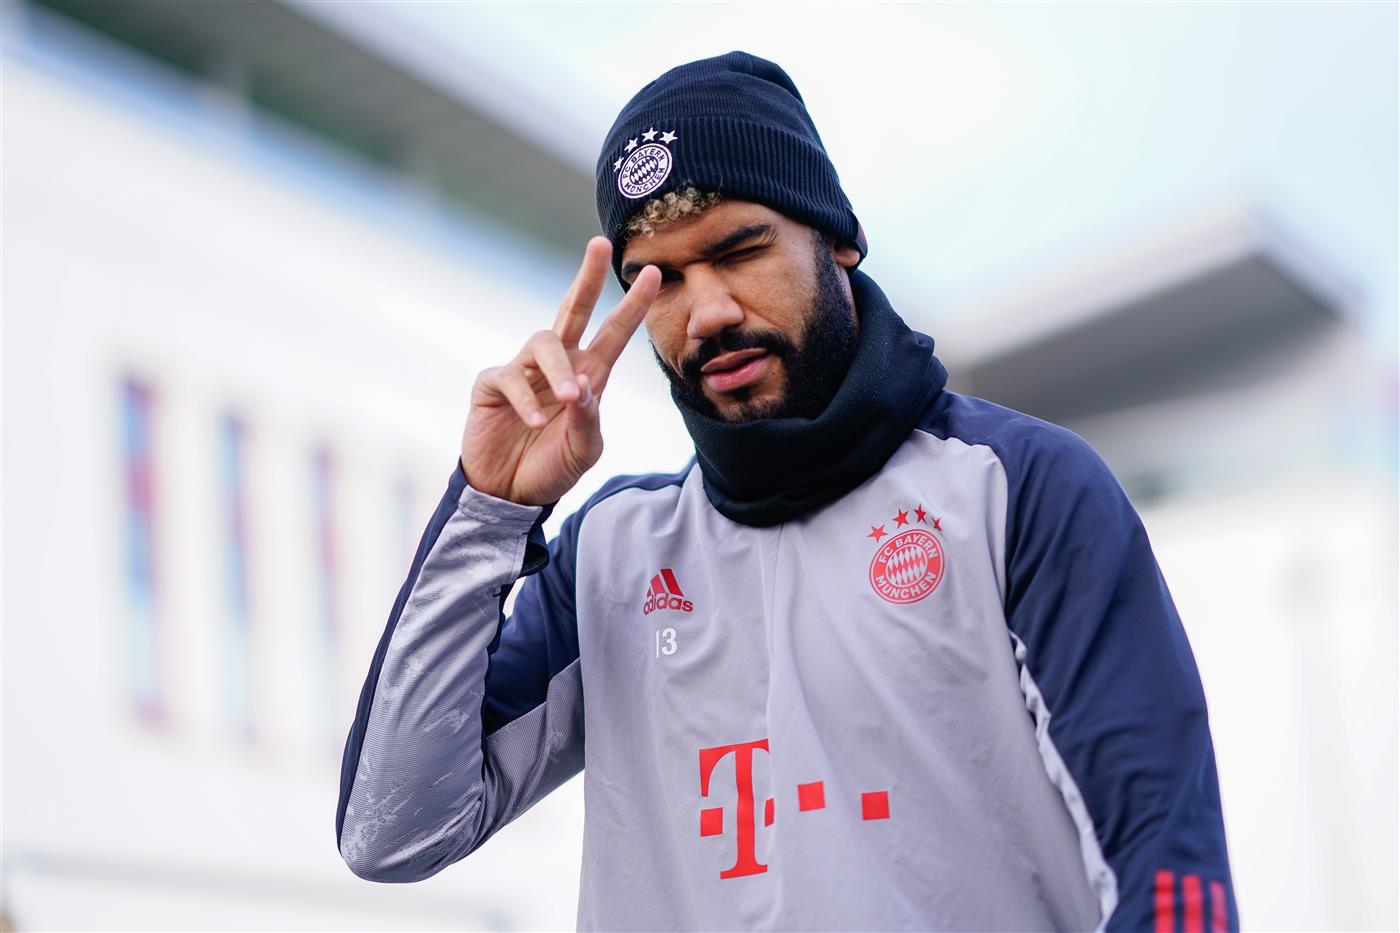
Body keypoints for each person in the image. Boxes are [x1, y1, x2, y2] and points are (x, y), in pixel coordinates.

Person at [336, 51, 1237, 932]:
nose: (710, 310)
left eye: (740, 249)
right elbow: (392, 832)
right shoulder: (612, 556)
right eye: (663, 280)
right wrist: (491, 507)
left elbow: (1165, 870)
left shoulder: (1015, 486)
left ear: (837, 239)